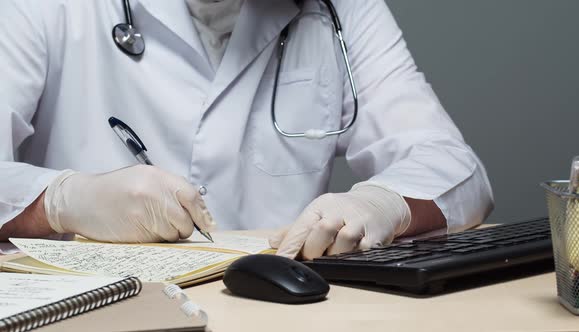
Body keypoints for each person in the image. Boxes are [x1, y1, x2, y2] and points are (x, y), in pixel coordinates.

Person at [0, 0, 493, 260]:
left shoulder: (342, 8)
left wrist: (382, 203)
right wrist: (64, 201)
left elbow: (454, 166)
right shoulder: (44, 7)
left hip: (279, 311)